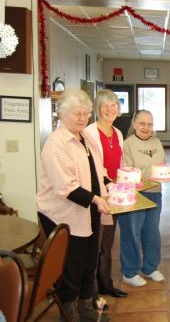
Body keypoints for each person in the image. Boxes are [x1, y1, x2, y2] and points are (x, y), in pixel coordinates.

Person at [37, 89, 110, 322]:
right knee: (71, 269)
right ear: (62, 114)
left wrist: (110, 185)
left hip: (88, 211)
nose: (82, 118)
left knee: (89, 264)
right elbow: (65, 187)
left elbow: (97, 171)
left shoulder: (85, 138)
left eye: (86, 114)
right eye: (76, 113)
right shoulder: (56, 144)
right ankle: (69, 317)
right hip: (64, 215)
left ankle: (89, 313)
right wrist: (97, 199)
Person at [84, 89, 128, 299]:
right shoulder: (90, 133)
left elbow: (119, 164)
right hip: (98, 195)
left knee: (107, 243)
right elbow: (94, 167)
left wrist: (124, 181)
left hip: (114, 194)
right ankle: (92, 292)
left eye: (114, 105)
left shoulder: (118, 133)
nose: (111, 109)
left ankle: (106, 285)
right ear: (97, 109)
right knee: (96, 245)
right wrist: (109, 184)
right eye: (106, 106)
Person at [117, 110, 165, 287]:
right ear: (135, 124)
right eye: (142, 123)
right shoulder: (127, 144)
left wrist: (167, 173)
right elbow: (128, 172)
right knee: (132, 232)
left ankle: (150, 268)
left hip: (155, 192)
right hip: (134, 195)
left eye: (150, 124)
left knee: (152, 232)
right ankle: (129, 272)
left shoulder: (157, 142)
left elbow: (162, 165)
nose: (146, 127)